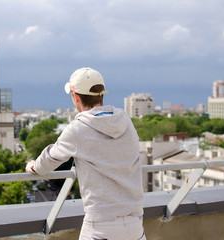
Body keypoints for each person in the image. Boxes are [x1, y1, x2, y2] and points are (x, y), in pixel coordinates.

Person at [26, 67, 146, 240]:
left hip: (100, 227)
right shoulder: (125, 120)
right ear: (101, 94)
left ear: (75, 96)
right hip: (135, 225)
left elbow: (47, 162)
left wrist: (32, 166)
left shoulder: (79, 128)